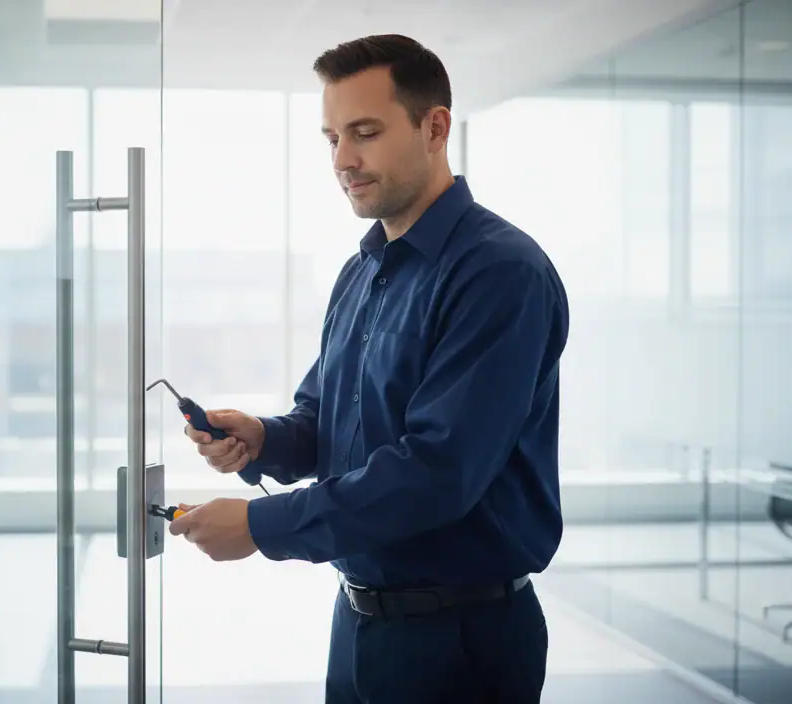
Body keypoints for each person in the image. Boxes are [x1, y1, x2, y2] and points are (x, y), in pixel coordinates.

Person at [166, 33, 569, 703]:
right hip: (358, 628)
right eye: (331, 138)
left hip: (461, 642)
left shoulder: (499, 273)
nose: (343, 159)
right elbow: (327, 421)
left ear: (434, 127)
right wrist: (263, 438)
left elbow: (439, 471)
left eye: (365, 132)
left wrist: (261, 528)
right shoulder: (363, 271)